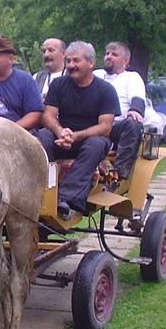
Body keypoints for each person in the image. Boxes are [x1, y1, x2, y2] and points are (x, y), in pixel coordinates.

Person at [40, 41, 121, 218]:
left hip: (90, 139)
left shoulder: (105, 90)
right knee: (43, 136)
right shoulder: (58, 85)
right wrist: (60, 131)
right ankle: (42, 191)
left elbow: (105, 127)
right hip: (62, 137)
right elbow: (48, 115)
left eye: (76, 61)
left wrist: (75, 136)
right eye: (68, 61)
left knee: (97, 144)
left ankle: (66, 199)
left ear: (91, 63)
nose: (71, 66)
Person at [93, 42, 146, 184]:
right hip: (92, 124)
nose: (109, 56)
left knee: (133, 124)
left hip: (116, 128)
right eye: (107, 53)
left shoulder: (132, 77)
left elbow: (138, 98)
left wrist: (135, 109)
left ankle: (118, 176)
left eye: (114, 54)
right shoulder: (95, 74)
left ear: (126, 61)